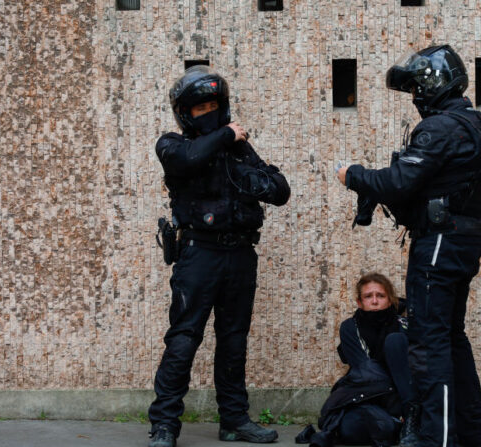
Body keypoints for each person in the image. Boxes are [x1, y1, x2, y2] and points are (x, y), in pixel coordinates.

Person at [336, 45, 481, 447]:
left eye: (417, 87)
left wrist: (353, 175)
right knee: (452, 337)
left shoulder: (440, 128)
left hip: (440, 243)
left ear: (435, 83)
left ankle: (437, 437)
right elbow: (438, 186)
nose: (415, 97)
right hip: (464, 239)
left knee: (429, 344)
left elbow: (398, 182)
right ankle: (473, 432)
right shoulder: (479, 126)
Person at [148, 65, 290, 447]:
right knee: (183, 339)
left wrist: (246, 157)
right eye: (200, 108)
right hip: (199, 255)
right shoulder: (172, 145)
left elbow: (279, 189)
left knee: (234, 340)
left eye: (214, 104)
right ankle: (164, 425)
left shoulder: (238, 150)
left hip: (240, 255)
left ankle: (234, 420)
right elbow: (189, 160)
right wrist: (228, 133)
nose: (209, 113)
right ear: (185, 115)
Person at [307, 273, 417, 447]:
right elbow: (365, 371)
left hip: (402, 398)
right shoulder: (350, 327)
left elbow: (412, 370)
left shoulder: (404, 325)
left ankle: (408, 420)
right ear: (360, 302)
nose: (374, 301)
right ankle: (396, 423)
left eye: (380, 296)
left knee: (395, 341)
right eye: (368, 296)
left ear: (390, 300)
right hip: (364, 397)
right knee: (350, 429)